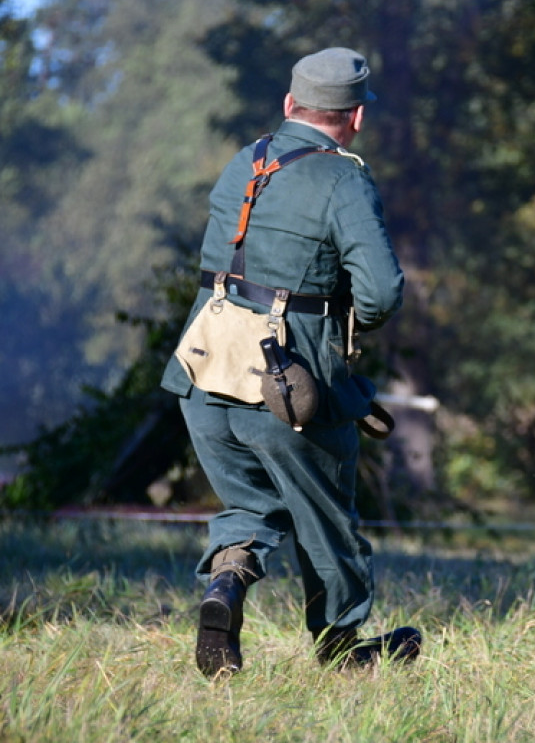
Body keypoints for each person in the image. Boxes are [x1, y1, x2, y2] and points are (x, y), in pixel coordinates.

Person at [160, 47, 420, 677]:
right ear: (356, 117)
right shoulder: (343, 179)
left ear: (289, 105)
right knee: (327, 517)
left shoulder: (244, 161)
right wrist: (344, 334)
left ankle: (225, 584)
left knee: (248, 506)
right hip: (289, 381)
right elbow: (382, 293)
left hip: (202, 371)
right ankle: (340, 647)